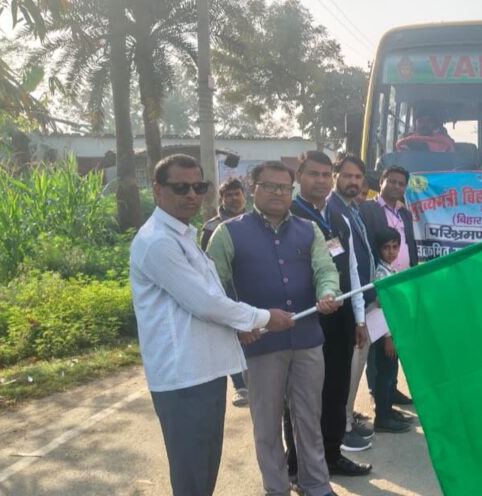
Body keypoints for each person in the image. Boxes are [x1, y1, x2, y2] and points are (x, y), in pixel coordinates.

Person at [130, 154, 295, 496]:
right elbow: (204, 303)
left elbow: (210, 295)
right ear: (158, 190)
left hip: (204, 370)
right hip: (183, 377)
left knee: (203, 470)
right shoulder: (158, 241)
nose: (192, 195)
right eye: (181, 187)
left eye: (199, 186)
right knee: (192, 475)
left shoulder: (182, 235)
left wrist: (239, 326)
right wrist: (263, 317)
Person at [207, 161, 343, 496]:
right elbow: (211, 287)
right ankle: (276, 488)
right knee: (266, 425)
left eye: (285, 187)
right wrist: (238, 325)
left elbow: (325, 269)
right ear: (253, 188)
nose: (278, 193)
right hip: (261, 344)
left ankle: (316, 484)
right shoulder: (228, 233)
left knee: (309, 418)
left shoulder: (308, 229)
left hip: (308, 340)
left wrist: (328, 292)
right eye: (269, 186)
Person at [288, 151, 374, 473]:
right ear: (300, 176)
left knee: (336, 389)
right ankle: (297, 466)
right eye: (314, 174)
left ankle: (331, 454)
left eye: (326, 175)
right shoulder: (289, 216)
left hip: (341, 318)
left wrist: (359, 318)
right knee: (302, 397)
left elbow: (352, 269)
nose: (321, 181)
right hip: (306, 318)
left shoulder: (339, 218)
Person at [359, 166, 420, 431]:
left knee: (395, 348)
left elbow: (409, 245)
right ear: (381, 182)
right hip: (381, 288)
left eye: (401, 183)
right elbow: (366, 246)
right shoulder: (368, 210)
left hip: (401, 286)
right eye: (391, 181)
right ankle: (380, 400)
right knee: (382, 349)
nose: (396, 186)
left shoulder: (404, 213)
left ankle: (391, 393)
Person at [199, 176, 250, 408]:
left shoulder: (255, 222)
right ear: (222, 199)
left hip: (251, 288)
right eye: (229, 195)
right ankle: (240, 386)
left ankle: (255, 381)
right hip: (226, 291)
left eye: (237, 194)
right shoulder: (211, 227)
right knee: (231, 337)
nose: (234, 198)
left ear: (245, 196)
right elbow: (206, 263)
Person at [366, 228, 412, 432]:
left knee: (391, 372)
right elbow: (383, 308)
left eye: (395, 247)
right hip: (384, 334)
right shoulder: (380, 272)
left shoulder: (390, 269)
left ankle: (388, 410)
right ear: (378, 249)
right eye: (386, 248)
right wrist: (388, 338)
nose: (391, 252)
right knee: (384, 374)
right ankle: (382, 417)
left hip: (391, 331)